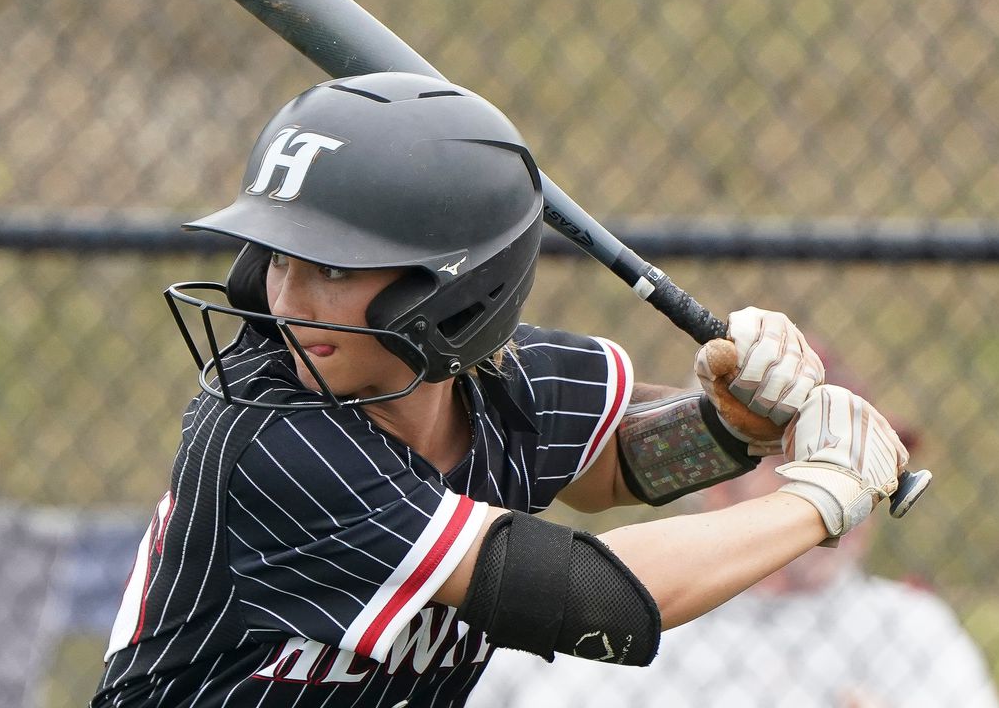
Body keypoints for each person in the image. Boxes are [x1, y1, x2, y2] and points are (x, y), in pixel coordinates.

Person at [91, 71, 910, 708]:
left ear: (453, 288)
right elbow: (598, 601)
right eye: (276, 257)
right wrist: (819, 497)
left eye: (333, 267)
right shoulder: (270, 439)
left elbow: (617, 466)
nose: (287, 299)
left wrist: (727, 428)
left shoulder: (503, 385)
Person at [469, 367, 998, 708]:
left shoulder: (907, 627)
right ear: (719, 485)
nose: (860, 495)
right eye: (822, 465)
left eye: (873, 471)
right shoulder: (600, 592)